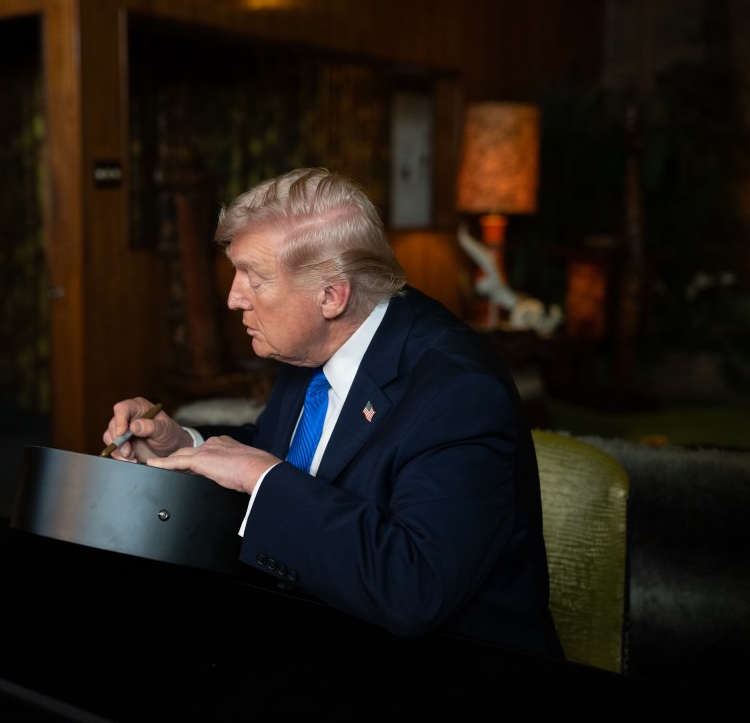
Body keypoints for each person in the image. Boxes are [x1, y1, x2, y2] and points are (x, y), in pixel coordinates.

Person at [103, 167, 563, 658]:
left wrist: (262, 477)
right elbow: (285, 449)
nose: (234, 299)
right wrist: (185, 444)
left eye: (254, 278)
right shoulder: (311, 342)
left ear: (331, 296)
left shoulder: (459, 392)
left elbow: (414, 588)